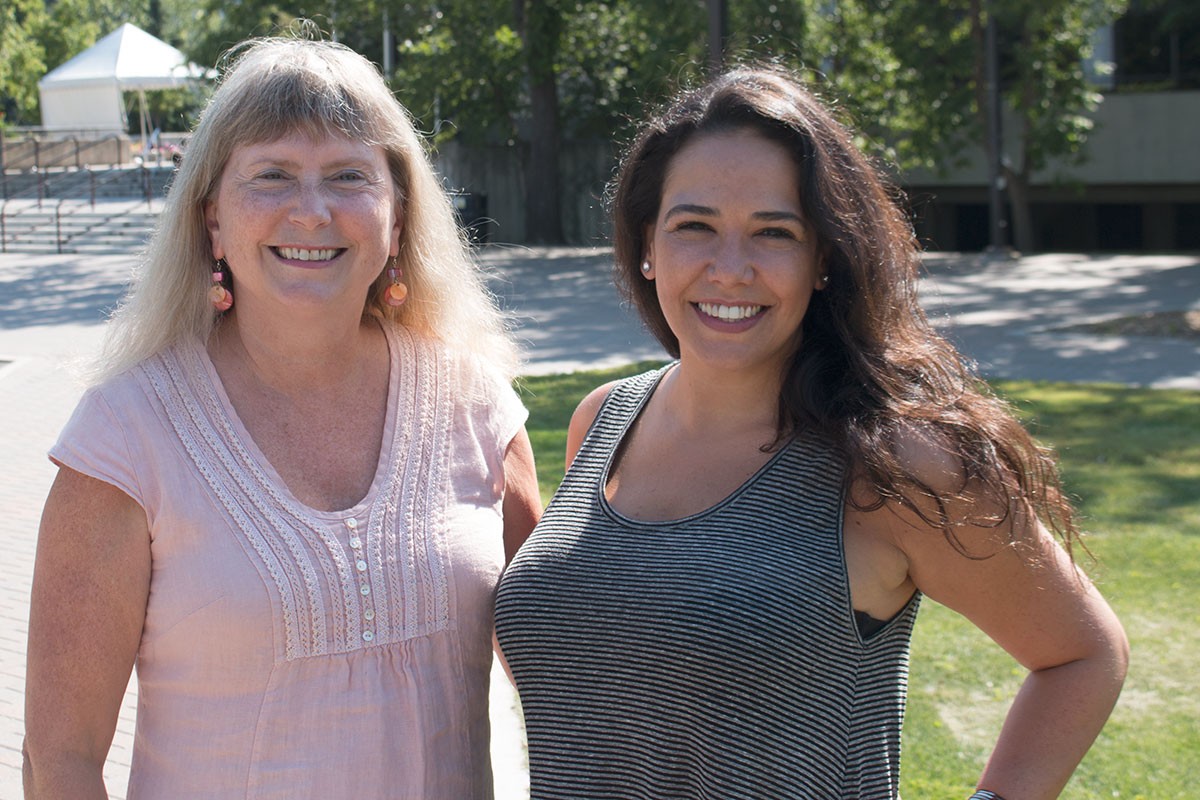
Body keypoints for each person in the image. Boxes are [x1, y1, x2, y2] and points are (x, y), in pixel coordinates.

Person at [494, 65, 1128, 800]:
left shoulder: (895, 463)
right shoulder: (601, 422)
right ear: (647, 245)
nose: (730, 269)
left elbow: (1083, 655)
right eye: (694, 226)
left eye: (775, 233)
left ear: (823, 257)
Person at [23, 35, 541, 799]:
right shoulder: (125, 440)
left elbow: (571, 675)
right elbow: (58, 761)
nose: (311, 210)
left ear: (397, 219)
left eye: (347, 177)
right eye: (271, 176)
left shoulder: (476, 407)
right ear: (213, 223)